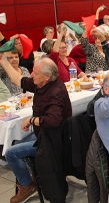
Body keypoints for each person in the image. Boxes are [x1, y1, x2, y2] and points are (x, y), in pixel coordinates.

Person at [2, 57, 72, 203]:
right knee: (17, 142)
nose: (32, 75)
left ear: (47, 76)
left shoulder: (55, 91)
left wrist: (32, 120)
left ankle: (27, 185)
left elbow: (53, 120)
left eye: (35, 73)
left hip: (53, 141)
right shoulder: (42, 84)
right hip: (45, 135)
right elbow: (20, 80)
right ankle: (36, 173)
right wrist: (4, 62)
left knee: (10, 152)